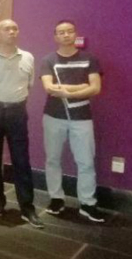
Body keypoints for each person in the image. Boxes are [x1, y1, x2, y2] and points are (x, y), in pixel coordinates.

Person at [0, 19, 43, 229]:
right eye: (7, 29)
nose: (12, 32)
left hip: (17, 111)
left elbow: (29, 84)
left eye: (15, 28)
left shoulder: (28, 57)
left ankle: (27, 208)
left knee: (21, 160)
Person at [40, 20, 104, 223]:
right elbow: (49, 88)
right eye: (61, 32)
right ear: (55, 37)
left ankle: (87, 203)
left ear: (75, 34)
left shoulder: (89, 59)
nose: (66, 35)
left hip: (82, 118)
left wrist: (67, 92)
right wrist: (81, 87)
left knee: (86, 162)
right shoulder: (48, 60)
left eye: (69, 31)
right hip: (53, 117)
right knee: (52, 159)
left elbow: (96, 88)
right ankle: (56, 199)